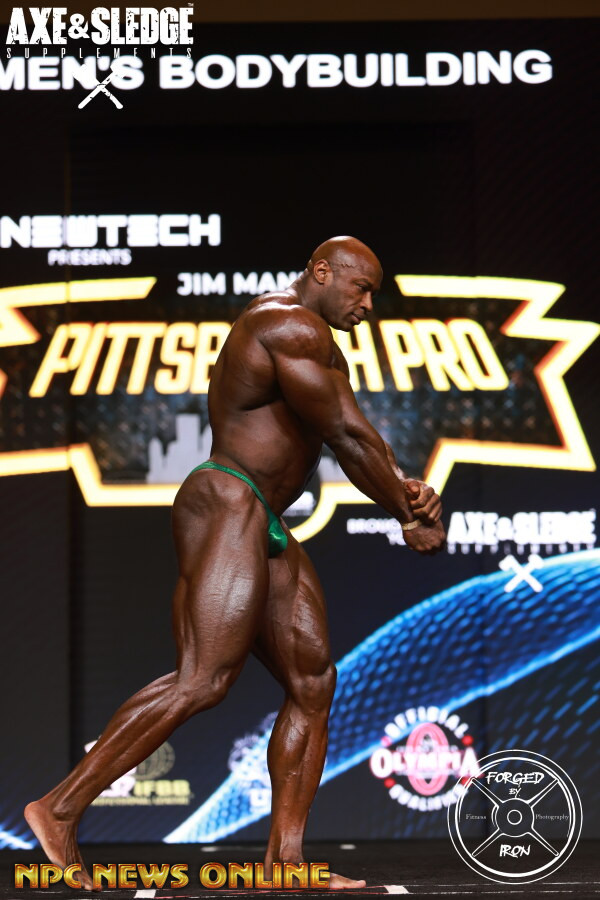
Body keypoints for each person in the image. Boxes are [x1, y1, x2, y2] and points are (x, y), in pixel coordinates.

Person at [25, 236, 445, 890]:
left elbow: (354, 432)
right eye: (361, 288)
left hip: (264, 516)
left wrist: (406, 490)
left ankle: (287, 866)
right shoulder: (287, 325)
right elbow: (348, 435)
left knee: (313, 683)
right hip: (228, 499)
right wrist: (406, 510)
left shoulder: (316, 341)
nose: (368, 304)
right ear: (322, 271)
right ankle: (58, 808)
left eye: (374, 294)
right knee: (204, 679)